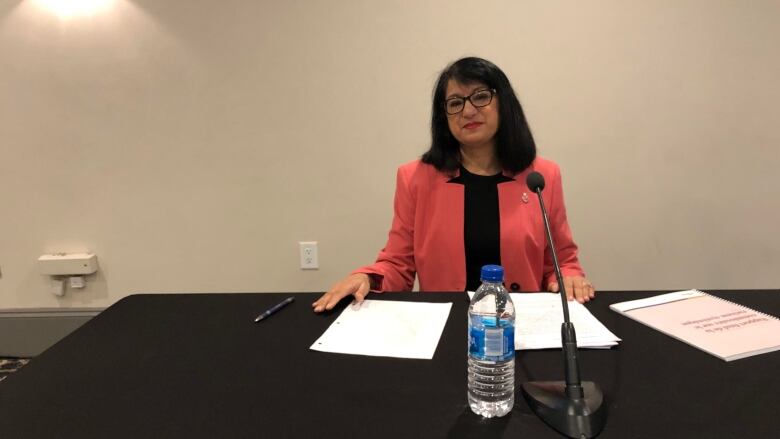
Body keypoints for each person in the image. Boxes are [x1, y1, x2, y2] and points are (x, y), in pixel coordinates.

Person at [313, 56, 594, 313]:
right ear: (443, 116)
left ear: (504, 104)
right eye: (455, 103)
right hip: (445, 326)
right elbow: (399, 263)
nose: (468, 110)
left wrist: (569, 276)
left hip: (520, 328)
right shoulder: (415, 178)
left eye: (481, 97)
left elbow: (561, 258)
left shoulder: (542, 176)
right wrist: (367, 277)